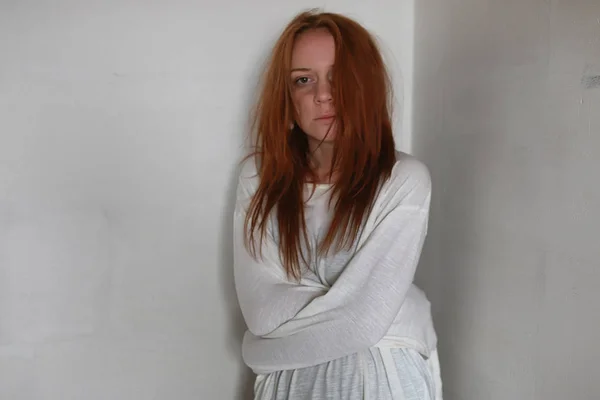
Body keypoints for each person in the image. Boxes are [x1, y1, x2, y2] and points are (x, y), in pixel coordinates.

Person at [233, 9, 442, 400]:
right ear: (288, 100)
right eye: (303, 80)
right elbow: (261, 310)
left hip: (383, 378)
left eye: (339, 76)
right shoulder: (258, 176)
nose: (324, 94)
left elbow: (363, 321)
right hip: (290, 382)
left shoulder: (403, 179)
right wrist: (360, 306)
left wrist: (270, 340)